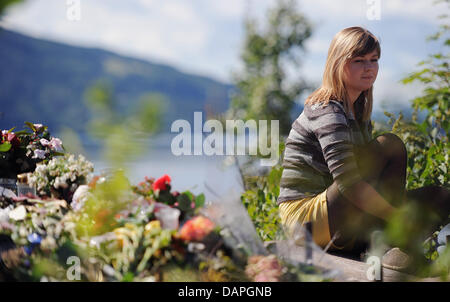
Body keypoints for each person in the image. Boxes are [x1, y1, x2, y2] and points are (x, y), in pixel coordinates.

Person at [277, 26, 450, 260]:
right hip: (306, 222)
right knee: (389, 145)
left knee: (438, 197)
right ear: (338, 63)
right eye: (358, 60)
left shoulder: (357, 112)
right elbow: (350, 184)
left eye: (374, 60)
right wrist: (397, 215)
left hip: (339, 214)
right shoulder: (327, 109)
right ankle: (391, 243)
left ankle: (388, 242)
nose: (369, 68)